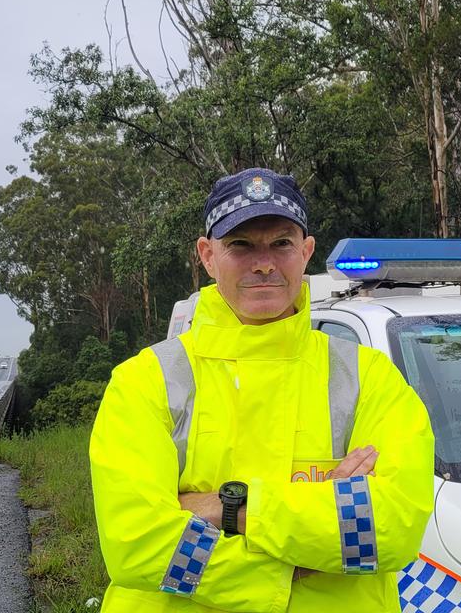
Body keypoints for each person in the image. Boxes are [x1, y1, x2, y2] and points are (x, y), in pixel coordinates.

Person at [90, 167, 434, 612]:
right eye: (241, 245)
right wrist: (298, 559)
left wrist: (227, 509)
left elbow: (393, 529)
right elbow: (135, 544)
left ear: (306, 251)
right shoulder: (144, 380)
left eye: (281, 243)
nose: (265, 263)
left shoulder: (370, 376)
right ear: (207, 255)